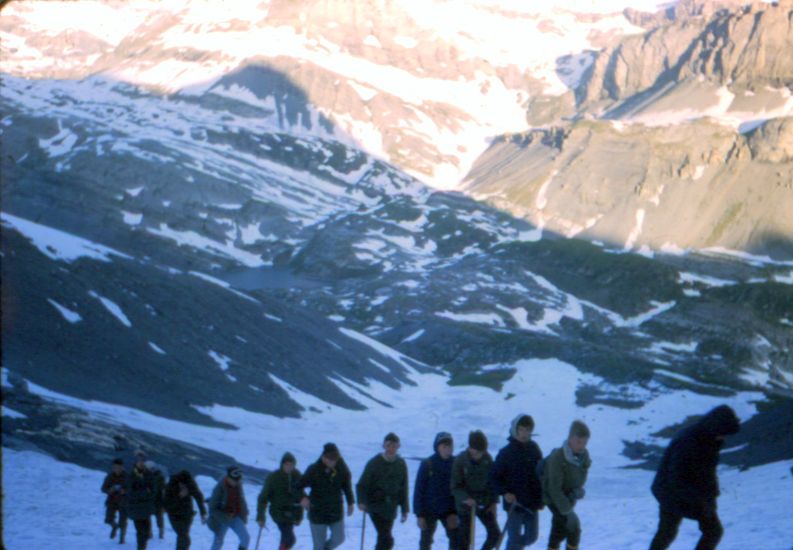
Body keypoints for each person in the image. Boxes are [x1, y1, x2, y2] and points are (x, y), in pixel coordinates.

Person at [649, 405, 740, 550]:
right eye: (723, 433)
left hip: (688, 493)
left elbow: (707, 473)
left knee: (709, 531)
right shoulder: (689, 441)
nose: (724, 437)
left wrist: (712, 497)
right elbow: (677, 477)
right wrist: (702, 502)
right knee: (670, 532)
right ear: (716, 427)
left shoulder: (708, 439)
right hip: (671, 492)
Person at [490, 415, 543, 550]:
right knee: (514, 537)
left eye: (527, 430)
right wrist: (504, 492)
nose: (524, 433)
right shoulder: (506, 453)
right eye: (521, 429)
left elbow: (541, 474)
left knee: (532, 537)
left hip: (532, 502)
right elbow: (494, 477)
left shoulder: (534, 449)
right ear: (515, 430)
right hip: (514, 504)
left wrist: (542, 497)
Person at [541, 420, 591, 550]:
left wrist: (578, 491)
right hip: (553, 498)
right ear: (570, 438)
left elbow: (580, 478)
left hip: (567, 498)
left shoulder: (583, 456)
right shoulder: (558, 457)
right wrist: (567, 509)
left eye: (585, 442)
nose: (582, 446)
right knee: (573, 528)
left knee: (558, 530)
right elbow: (554, 489)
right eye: (579, 442)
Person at [356, 432, 410, 550]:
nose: (391, 448)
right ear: (384, 446)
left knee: (383, 538)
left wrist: (404, 509)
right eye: (389, 445)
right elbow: (362, 484)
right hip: (375, 505)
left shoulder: (401, 464)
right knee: (386, 538)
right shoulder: (374, 463)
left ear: (398, 447)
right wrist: (361, 501)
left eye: (394, 446)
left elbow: (404, 487)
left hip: (391, 507)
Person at [299, 442, 355, 550]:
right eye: (330, 459)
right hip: (317, 512)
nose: (333, 462)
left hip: (335, 511)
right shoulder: (314, 470)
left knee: (339, 538)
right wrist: (302, 497)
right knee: (318, 546)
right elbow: (297, 487)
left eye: (335, 459)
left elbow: (346, 485)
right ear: (323, 457)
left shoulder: (341, 466)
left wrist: (350, 502)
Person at [452, 430, 500, 550]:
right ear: (471, 448)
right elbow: (455, 487)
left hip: (483, 502)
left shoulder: (487, 459)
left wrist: (494, 501)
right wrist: (466, 498)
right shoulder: (460, 461)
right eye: (477, 452)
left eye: (482, 452)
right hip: (465, 506)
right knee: (465, 539)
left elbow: (493, 482)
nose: (479, 455)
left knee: (495, 534)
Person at [414, 431, 459, 550]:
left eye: (449, 446)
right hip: (429, 510)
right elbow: (419, 490)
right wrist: (419, 514)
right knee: (425, 542)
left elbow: (460, 488)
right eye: (444, 446)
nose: (447, 449)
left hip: (449, 510)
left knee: (456, 539)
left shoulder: (456, 463)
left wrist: (456, 512)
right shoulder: (428, 463)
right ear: (437, 447)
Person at [257, 452, 305, 550]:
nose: (289, 467)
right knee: (289, 538)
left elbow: (301, 496)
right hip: (277, 511)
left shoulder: (296, 475)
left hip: (292, 512)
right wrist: (261, 516)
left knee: (287, 538)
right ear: (282, 464)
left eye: (291, 465)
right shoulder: (274, 477)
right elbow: (263, 498)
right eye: (286, 464)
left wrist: (299, 516)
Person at [208, 465, 251, 550]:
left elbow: (241, 500)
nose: (236, 483)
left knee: (246, 538)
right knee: (218, 543)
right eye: (235, 480)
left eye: (238, 480)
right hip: (221, 519)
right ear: (228, 477)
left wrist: (244, 514)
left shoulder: (238, 485)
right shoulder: (219, 488)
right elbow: (212, 509)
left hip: (235, 517)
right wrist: (224, 516)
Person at [164, 470, 207, 550]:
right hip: (174, 515)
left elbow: (198, 496)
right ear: (178, 482)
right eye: (182, 484)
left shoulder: (190, 483)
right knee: (183, 536)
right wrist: (179, 496)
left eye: (185, 485)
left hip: (187, 513)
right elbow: (166, 504)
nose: (184, 486)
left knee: (184, 536)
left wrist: (203, 512)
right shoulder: (171, 485)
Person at [127, 451, 157, 550]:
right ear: (135, 462)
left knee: (146, 532)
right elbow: (130, 493)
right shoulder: (131, 475)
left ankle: (142, 547)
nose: (141, 462)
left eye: (143, 460)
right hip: (136, 508)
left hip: (146, 508)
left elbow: (153, 491)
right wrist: (145, 492)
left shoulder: (149, 474)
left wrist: (142, 492)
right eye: (139, 460)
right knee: (141, 532)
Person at [101, 458, 128, 543]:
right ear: (113, 467)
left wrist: (125, 491)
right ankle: (114, 527)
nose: (117, 469)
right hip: (111, 500)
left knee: (123, 521)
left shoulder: (127, 476)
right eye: (115, 467)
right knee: (108, 519)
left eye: (119, 467)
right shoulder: (110, 476)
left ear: (122, 467)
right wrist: (110, 490)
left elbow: (132, 488)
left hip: (124, 501)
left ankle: (122, 539)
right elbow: (103, 488)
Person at [146, 461, 167, 539]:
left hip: (158, 500)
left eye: (151, 469)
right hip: (150, 501)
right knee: (148, 518)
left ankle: (160, 533)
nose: (150, 470)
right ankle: (150, 532)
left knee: (159, 517)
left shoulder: (159, 477)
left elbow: (163, 490)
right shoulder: (146, 477)